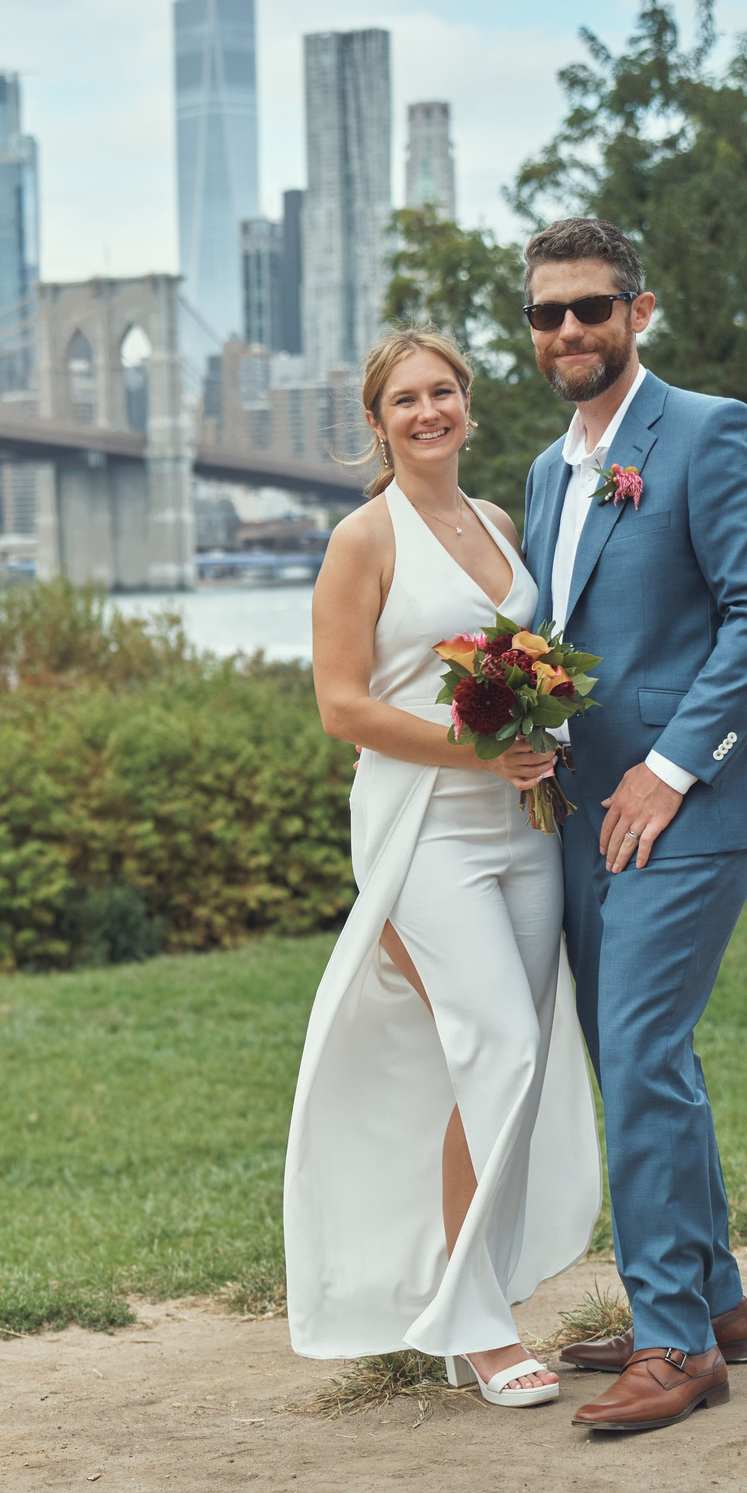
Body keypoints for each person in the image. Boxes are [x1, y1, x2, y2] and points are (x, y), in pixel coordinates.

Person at [516, 217, 747, 1431]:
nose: (571, 330)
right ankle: (715, 1301)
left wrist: (676, 767)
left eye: (592, 307)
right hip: (579, 813)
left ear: (639, 311)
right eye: (548, 314)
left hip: (678, 811)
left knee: (637, 1054)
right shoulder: (546, 471)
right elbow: (567, 645)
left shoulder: (706, 431)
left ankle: (677, 1344)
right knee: (638, 1058)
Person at [284, 328, 601, 1409]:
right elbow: (342, 707)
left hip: (526, 823)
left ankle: (471, 1299)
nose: (428, 412)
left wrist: (539, 721)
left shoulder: (501, 523)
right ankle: (476, 1326)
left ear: (468, 403)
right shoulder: (362, 540)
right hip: (423, 834)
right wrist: (475, 742)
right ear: (375, 425)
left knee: (510, 1060)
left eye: (444, 392)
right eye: (404, 400)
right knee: (502, 1050)